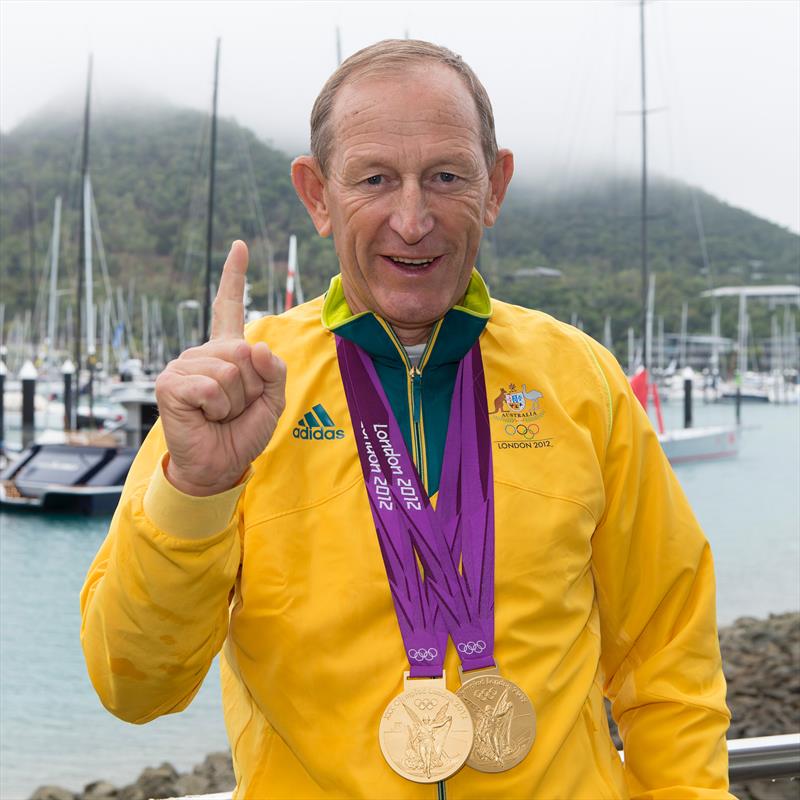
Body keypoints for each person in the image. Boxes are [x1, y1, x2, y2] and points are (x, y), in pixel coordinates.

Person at [81, 39, 733, 799]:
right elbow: (134, 688)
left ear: (496, 187)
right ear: (317, 196)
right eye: (376, 179)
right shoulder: (241, 391)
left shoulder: (581, 382)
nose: (413, 219)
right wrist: (195, 487)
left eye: (447, 177)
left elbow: (668, 657)